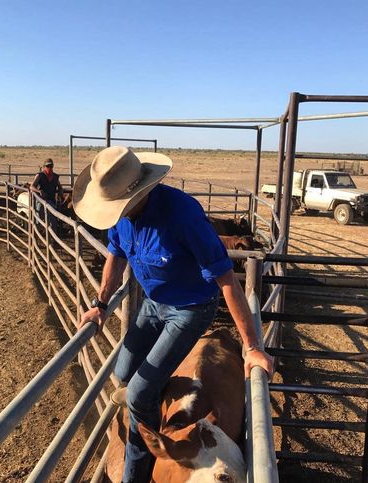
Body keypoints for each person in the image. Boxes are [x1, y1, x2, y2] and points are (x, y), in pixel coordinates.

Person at [73, 146, 273, 483]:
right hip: (153, 304)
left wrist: (251, 345)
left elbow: (226, 278)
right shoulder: (123, 218)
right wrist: (100, 303)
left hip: (190, 308)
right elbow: (116, 255)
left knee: (136, 394)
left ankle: (137, 471)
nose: (115, 213)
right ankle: (156, 399)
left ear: (139, 192)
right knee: (122, 373)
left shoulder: (182, 216)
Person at [30, 158, 63, 231]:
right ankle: (36, 235)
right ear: (44, 166)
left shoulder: (55, 177)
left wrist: (60, 192)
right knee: (38, 219)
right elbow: (32, 186)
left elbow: (59, 187)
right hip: (41, 200)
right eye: (48, 166)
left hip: (51, 200)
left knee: (53, 221)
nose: (50, 168)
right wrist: (39, 191)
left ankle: (53, 240)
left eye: (51, 166)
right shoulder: (40, 175)